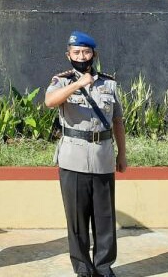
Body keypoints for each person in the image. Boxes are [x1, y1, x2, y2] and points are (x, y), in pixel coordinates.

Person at [45, 31, 127, 277]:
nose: (81, 56)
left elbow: (118, 121)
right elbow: (50, 102)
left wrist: (122, 154)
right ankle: (82, 267)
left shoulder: (109, 84)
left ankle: (103, 267)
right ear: (68, 55)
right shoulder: (61, 81)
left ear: (94, 54)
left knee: (104, 217)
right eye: (76, 52)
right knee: (77, 219)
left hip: (103, 156)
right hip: (73, 158)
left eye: (86, 52)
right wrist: (77, 85)